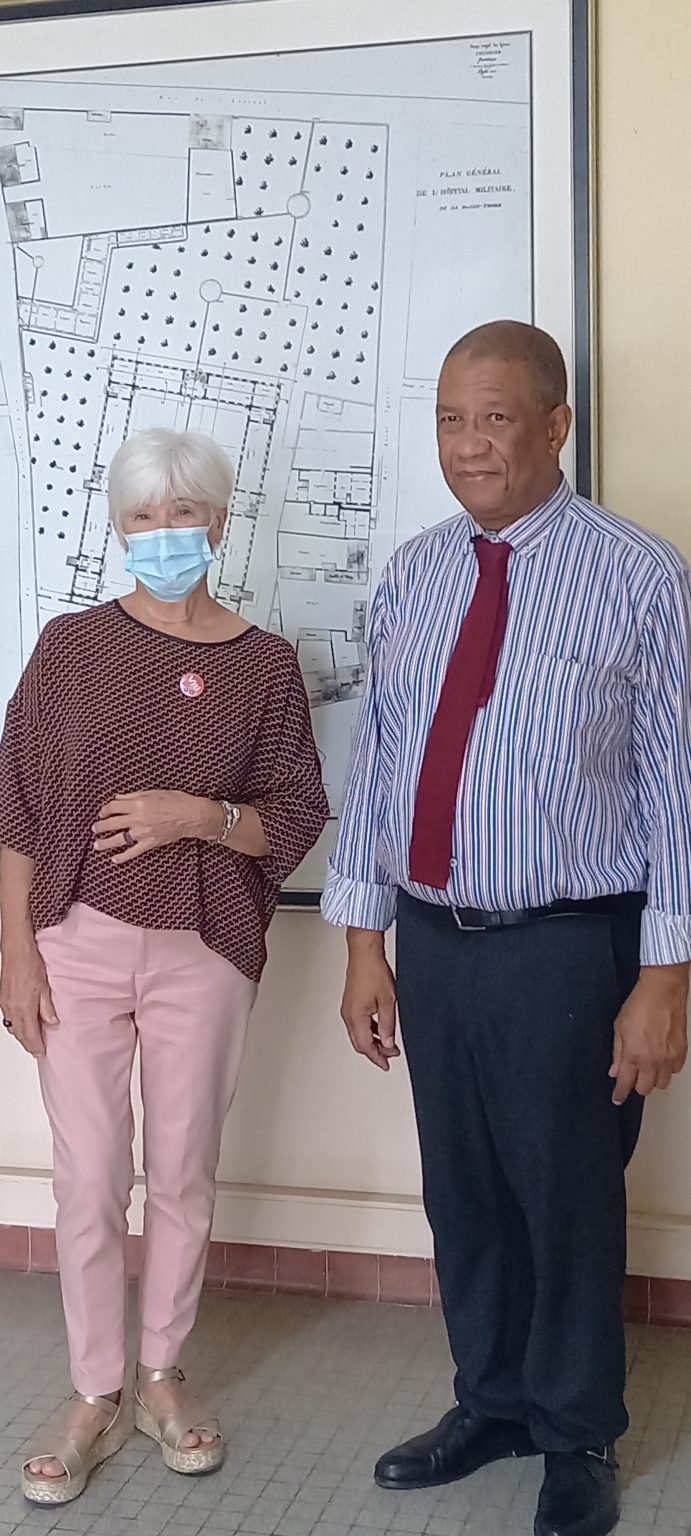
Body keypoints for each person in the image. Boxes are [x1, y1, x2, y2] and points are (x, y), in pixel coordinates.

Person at [322, 321, 691, 1536]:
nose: (468, 444)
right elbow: (381, 766)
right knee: (464, 1190)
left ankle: (576, 1430)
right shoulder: (413, 574)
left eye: (494, 417)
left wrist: (665, 975)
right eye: (449, 418)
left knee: (566, 1196)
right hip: (435, 941)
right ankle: (489, 1402)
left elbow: (676, 785)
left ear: (555, 426)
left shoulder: (639, 574)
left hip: (566, 945)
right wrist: (364, 943)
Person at [0, 427, 328, 1506]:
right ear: (119, 526)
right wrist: (15, 952)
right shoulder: (70, 648)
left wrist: (199, 815)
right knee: (90, 1176)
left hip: (205, 945)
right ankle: (94, 1391)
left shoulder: (264, 664)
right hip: (75, 939)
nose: (164, 533)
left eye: (184, 513)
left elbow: (296, 815)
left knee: (183, 1170)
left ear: (219, 523)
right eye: (144, 515)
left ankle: (160, 1378)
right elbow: (15, 807)